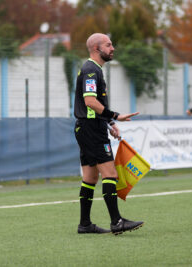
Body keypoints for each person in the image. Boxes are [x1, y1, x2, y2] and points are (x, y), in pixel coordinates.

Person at [74, 33, 143, 235]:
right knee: (110, 174)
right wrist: (116, 115)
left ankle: (85, 224)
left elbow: (94, 106)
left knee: (89, 177)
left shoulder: (94, 70)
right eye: (109, 44)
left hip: (88, 127)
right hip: (90, 129)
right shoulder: (90, 70)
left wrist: (110, 123)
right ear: (97, 48)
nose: (112, 48)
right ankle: (117, 222)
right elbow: (90, 102)